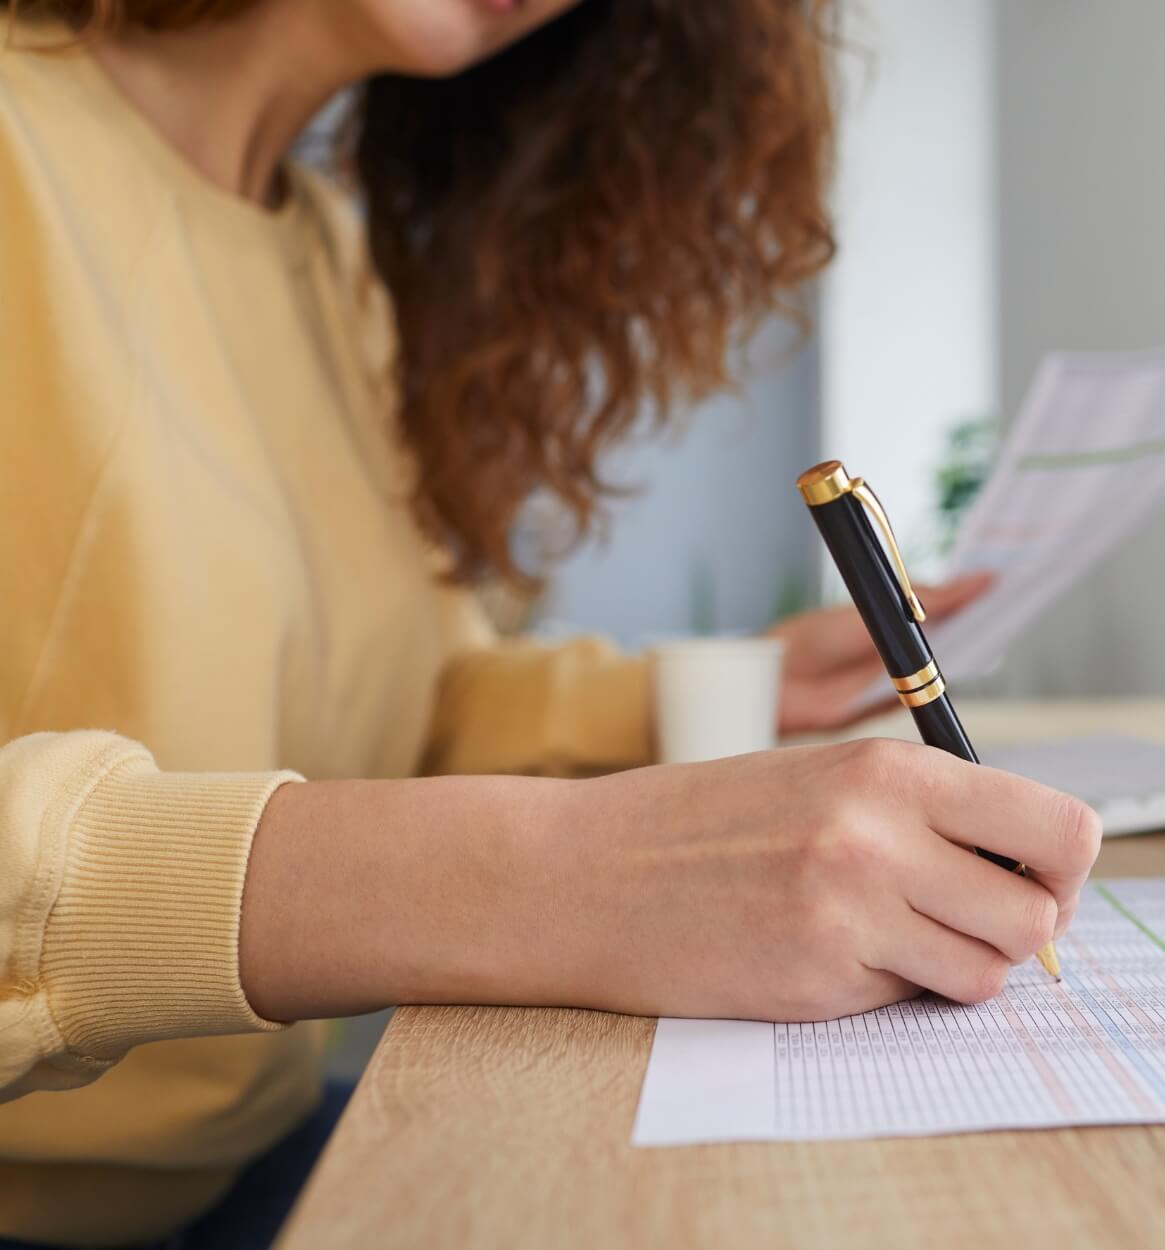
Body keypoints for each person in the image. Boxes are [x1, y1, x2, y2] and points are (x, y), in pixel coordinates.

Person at [0, 1, 1102, 1245]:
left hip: (254, 1158)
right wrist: (543, 875)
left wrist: (699, 691)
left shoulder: (333, 265)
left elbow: (419, 690)